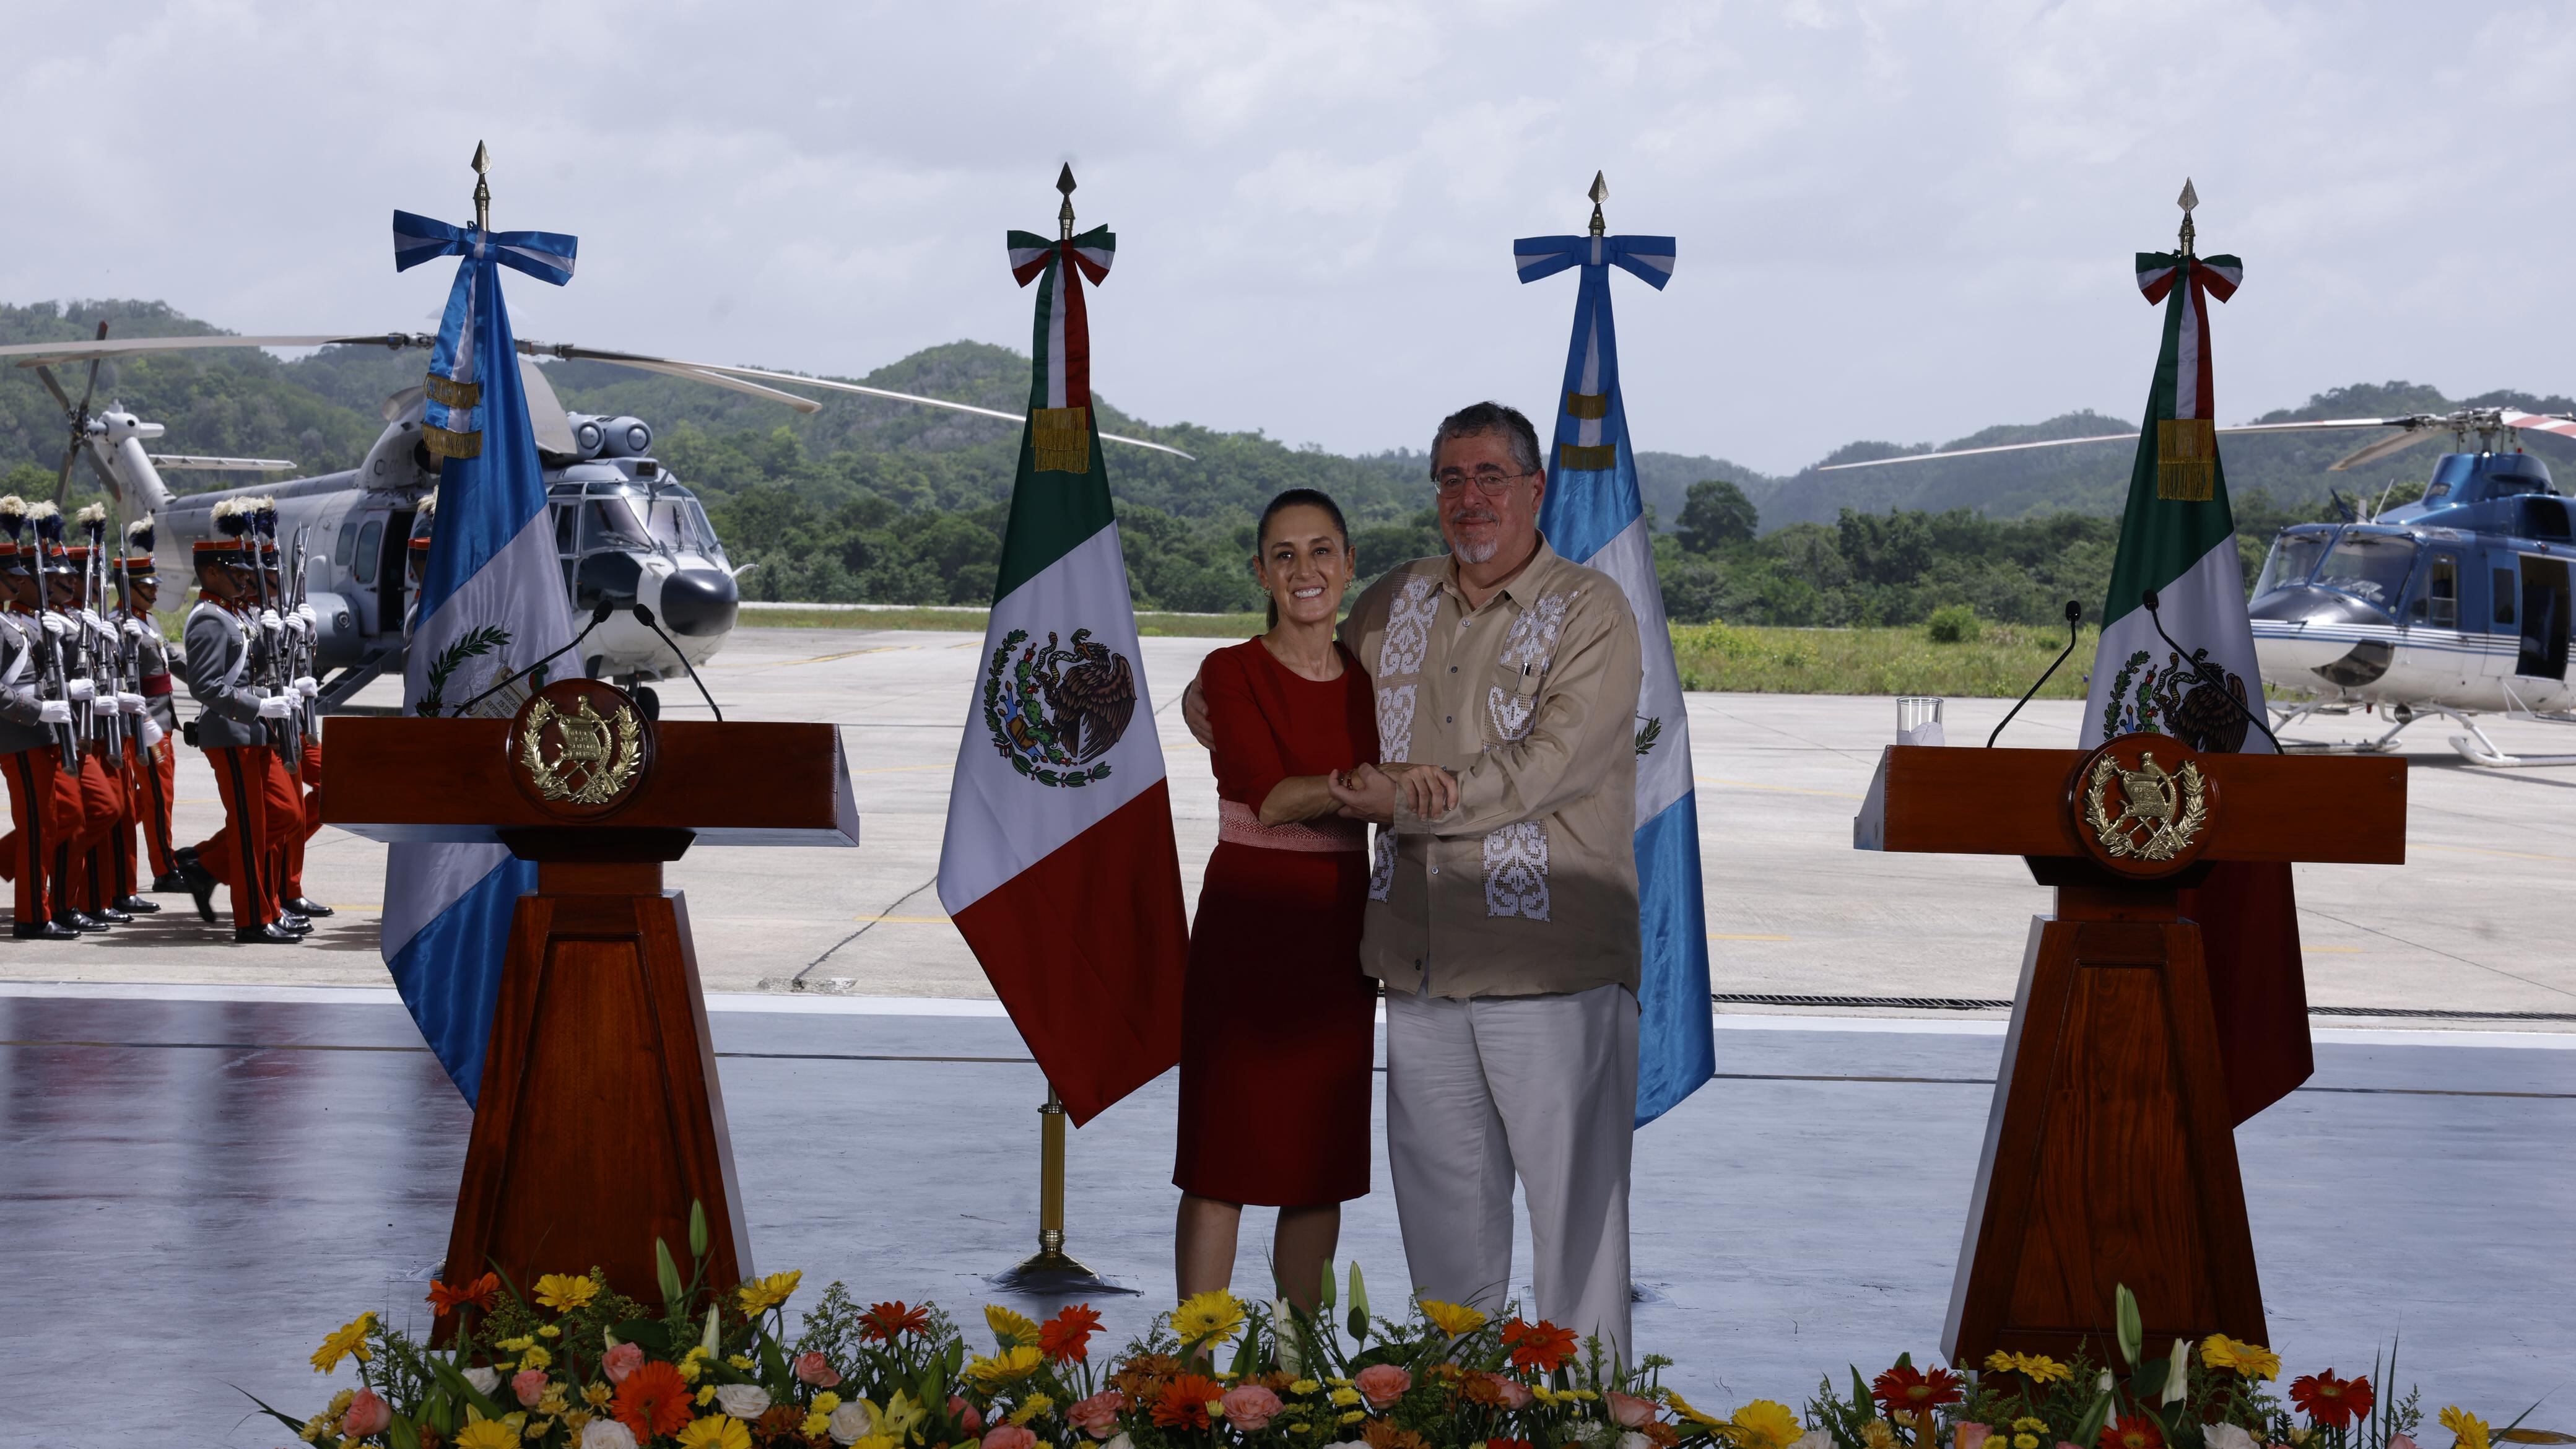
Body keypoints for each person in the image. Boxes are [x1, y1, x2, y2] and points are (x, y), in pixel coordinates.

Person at [1185, 402, 1645, 1359]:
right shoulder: (1396, 601)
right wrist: (1217, 699)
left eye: (1490, 477)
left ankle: (1591, 1414)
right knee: (1445, 1230)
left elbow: (1548, 768)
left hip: (1548, 964)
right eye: (1451, 478)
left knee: (1577, 1226)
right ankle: (1459, 1403)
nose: (1470, 497)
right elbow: (1293, 671)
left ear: (1534, 489)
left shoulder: (1591, 611)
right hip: (1417, 963)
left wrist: (1398, 796)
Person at [1173, 488, 1458, 1312]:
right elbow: (1267, 797)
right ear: (1261, 573)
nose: (1306, 570)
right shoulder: (1229, 671)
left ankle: (1296, 1362)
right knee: (1222, 1158)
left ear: (1348, 564)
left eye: (1321, 551)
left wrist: (1381, 785)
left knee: (1316, 1165)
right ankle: (1193, 1359)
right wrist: (1372, 782)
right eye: (1286, 555)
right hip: (1248, 923)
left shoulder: (1370, 683)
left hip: (1337, 929)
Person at [177, 500, 305, 944]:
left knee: (284, 815)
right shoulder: (209, 620)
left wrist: (287, 636)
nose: (247, 579)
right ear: (212, 573)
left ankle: (222, 877)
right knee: (251, 830)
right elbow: (206, 686)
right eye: (237, 571)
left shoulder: (232, 614)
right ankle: (254, 919)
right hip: (231, 733)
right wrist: (259, 707)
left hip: (253, 731)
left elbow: (255, 669)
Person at [0, 497, 80, 939]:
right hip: (19, 735)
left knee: (55, 821)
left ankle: (42, 907)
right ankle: (32, 916)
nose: (20, 583)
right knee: (36, 828)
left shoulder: (16, 623)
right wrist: (38, 710)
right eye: (13, 577)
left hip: (39, 734)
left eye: (21, 576)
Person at [109, 521, 185, 901]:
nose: (156, 592)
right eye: (149, 587)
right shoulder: (117, 625)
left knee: (157, 796)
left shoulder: (147, 620)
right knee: (156, 795)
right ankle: (164, 869)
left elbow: (173, 662)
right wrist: (144, 721)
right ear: (130, 589)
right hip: (142, 725)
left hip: (161, 721)